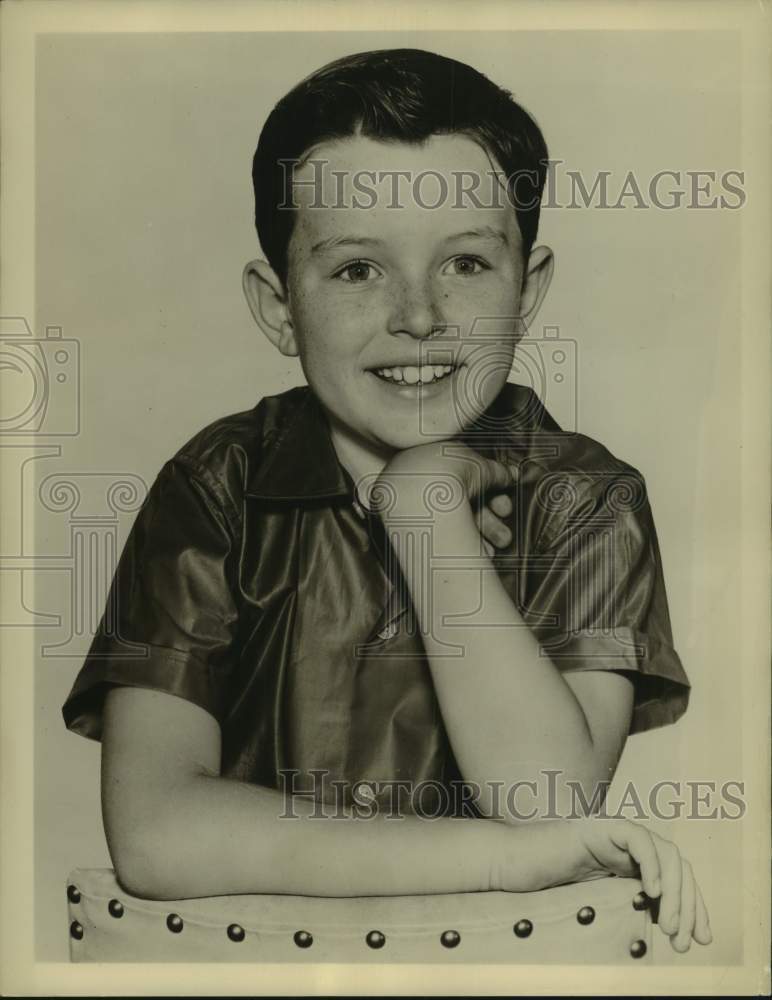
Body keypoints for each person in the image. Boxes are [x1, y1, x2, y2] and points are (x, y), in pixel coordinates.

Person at [62, 48, 710, 952]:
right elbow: (154, 832)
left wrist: (423, 509)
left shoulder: (586, 502)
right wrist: (491, 860)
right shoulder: (216, 486)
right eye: (357, 270)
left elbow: (548, 803)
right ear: (279, 305)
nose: (418, 315)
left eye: (468, 266)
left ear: (532, 288)